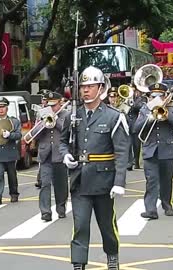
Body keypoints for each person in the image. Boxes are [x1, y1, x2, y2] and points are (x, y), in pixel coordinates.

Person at [60, 66, 129, 270]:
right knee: (80, 225)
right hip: (80, 178)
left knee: (107, 225)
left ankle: (112, 256)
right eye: (83, 86)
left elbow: (122, 152)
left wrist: (119, 182)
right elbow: (63, 141)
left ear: (101, 88)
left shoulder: (113, 116)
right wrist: (65, 155)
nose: (85, 91)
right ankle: (79, 262)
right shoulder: (73, 115)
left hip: (104, 181)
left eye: (90, 86)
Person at [133, 83, 173, 220]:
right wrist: (150, 117)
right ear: (149, 97)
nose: (156, 98)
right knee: (151, 180)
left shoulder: (171, 109)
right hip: (150, 150)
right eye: (153, 96)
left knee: (166, 180)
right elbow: (136, 128)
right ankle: (150, 209)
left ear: (164, 96)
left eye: (159, 96)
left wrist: (166, 113)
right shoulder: (145, 110)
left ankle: (167, 204)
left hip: (167, 150)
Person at [29, 92, 69, 221]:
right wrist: (42, 123)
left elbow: (67, 131)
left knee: (61, 185)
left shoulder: (65, 115)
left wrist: (55, 121)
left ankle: (61, 208)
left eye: (54, 105)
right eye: (50, 105)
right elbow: (34, 134)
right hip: (45, 155)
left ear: (60, 103)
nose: (52, 108)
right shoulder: (42, 115)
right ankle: (45, 212)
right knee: (45, 184)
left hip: (60, 154)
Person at [128, 85, 147, 170]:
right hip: (128, 124)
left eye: (134, 90)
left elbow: (140, 107)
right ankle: (129, 162)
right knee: (128, 144)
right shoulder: (126, 98)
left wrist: (133, 102)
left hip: (136, 124)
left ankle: (136, 161)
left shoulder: (142, 99)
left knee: (136, 144)